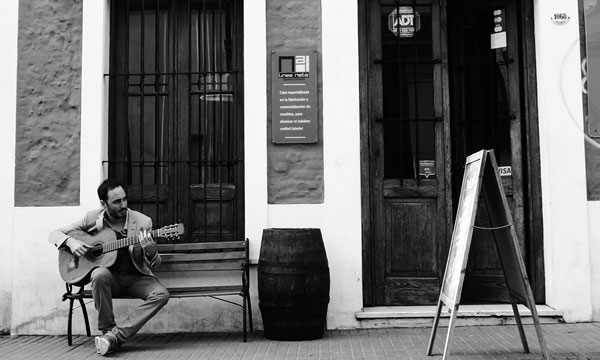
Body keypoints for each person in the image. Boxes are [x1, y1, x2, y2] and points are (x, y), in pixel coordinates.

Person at [49, 178, 170, 356]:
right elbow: (54, 233)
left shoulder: (143, 222)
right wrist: (72, 242)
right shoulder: (92, 218)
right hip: (108, 279)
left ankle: (113, 337)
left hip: (135, 277)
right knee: (99, 274)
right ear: (103, 203)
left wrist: (151, 252)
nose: (123, 205)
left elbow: (154, 264)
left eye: (124, 199)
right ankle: (107, 330)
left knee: (162, 294)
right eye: (116, 201)